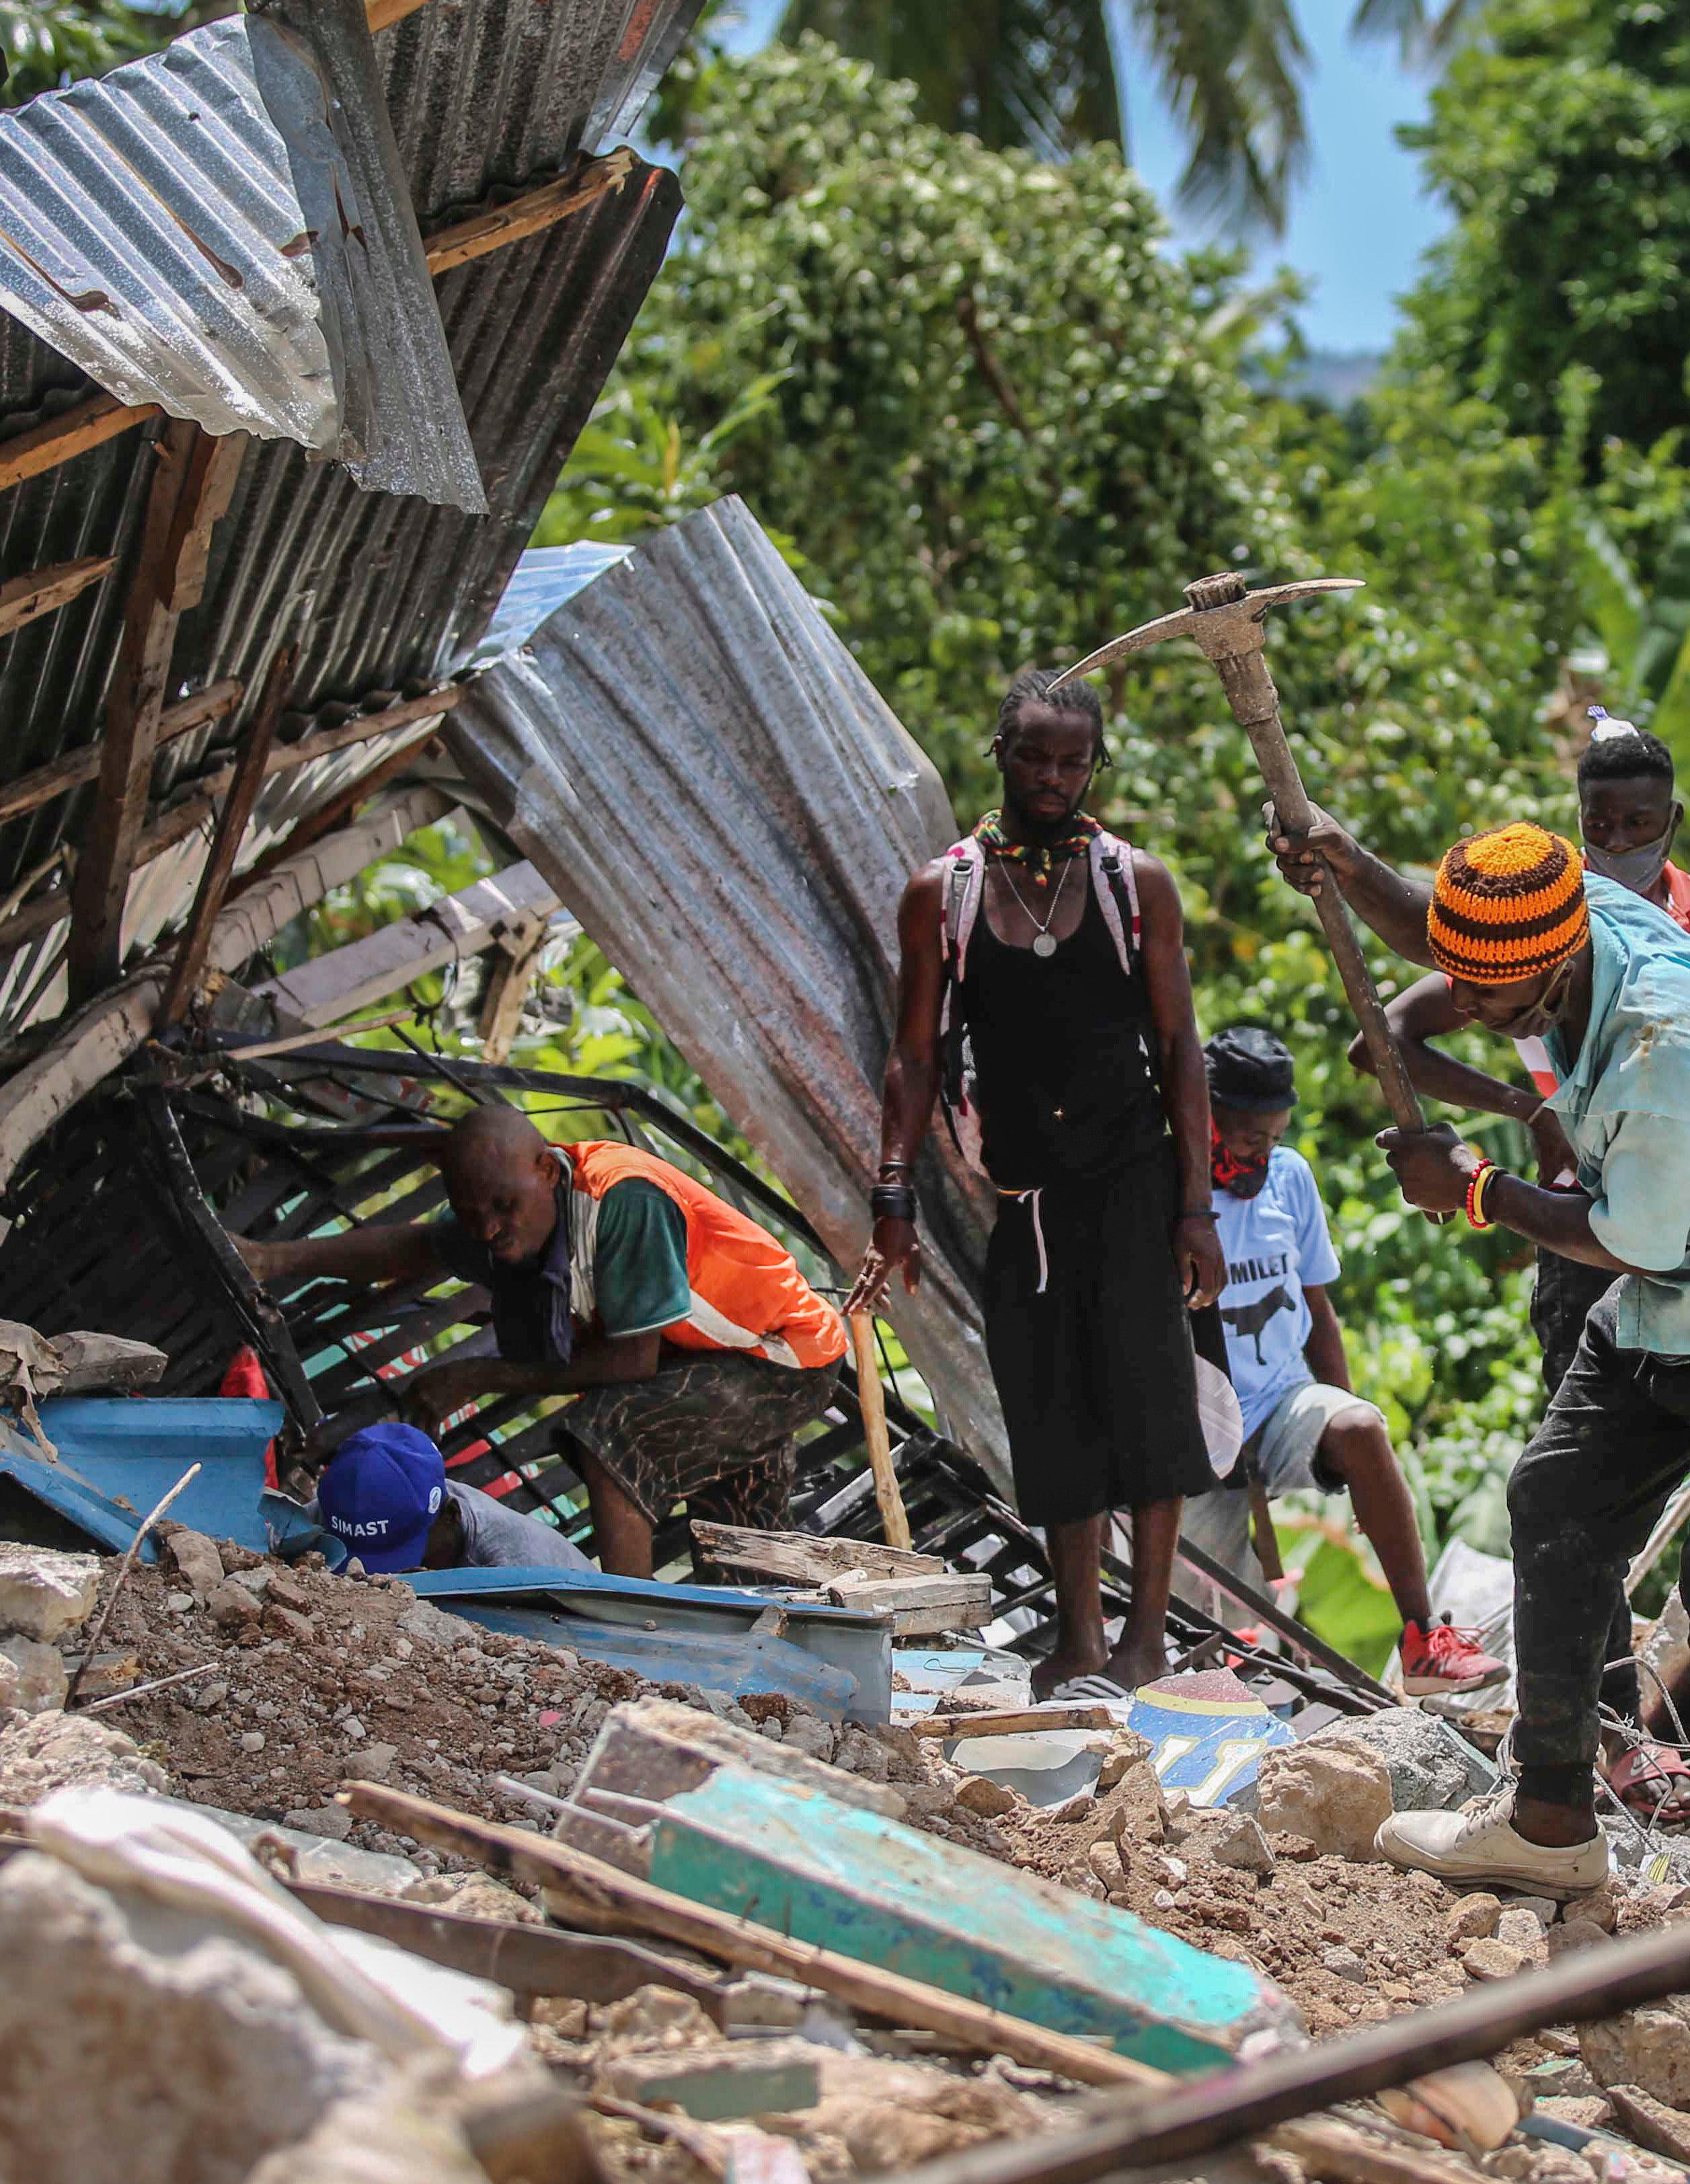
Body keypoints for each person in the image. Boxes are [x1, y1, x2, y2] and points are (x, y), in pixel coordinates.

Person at [1274, 816, 1690, 1995]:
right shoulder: (1564, 917)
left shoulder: (1660, 1036)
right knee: (1553, 1496)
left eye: (1497, 1007)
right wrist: (1350, 866)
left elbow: (1628, 1241)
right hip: (1680, 1294)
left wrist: (1472, 1195)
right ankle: (1551, 1823)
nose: (1476, 1014)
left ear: (1554, 964)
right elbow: (1456, 942)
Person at [1369, 715, 1690, 1820]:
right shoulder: (1544, 916)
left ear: (1670, 822)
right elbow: (1394, 1024)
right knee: (1581, 1489)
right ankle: (1611, 1724)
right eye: (1598, 823)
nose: (1618, 838)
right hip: (1586, 1226)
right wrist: (1524, 1106)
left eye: (1637, 823)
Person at [850, 668, 1223, 1700]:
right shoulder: (946, 893)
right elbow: (913, 1056)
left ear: (1095, 766)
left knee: (1148, 1406)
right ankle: (1079, 1642)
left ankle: (1144, 1640)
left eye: (1073, 761)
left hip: (1134, 1187)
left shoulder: (1129, 882)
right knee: (1048, 1411)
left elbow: (1179, 1046)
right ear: (999, 757)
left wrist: (1194, 1210)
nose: (1053, 778)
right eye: (1034, 758)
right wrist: (894, 1192)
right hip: (1024, 1202)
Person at [241, 1105, 848, 1576]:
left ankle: (624, 1632)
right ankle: (774, 1661)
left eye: (504, 1207)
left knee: (609, 1434)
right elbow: (420, 1247)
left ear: (547, 1172)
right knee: (746, 1544)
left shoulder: (623, 1201)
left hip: (782, 1356)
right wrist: (274, 1259)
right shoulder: (502, 1215)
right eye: (471, 1212)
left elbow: (630, 1360)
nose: (490, 1230)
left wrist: (477, 1376)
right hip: (703, 1359)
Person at [1182, 1024, 1504, 1697]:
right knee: (1207, 1637)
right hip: (1191, 1430)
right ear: (1205, 1121)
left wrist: (1353, 1457)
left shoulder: (1290, 1179)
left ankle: (1423, 1638)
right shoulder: (1169, 1192)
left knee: (1359, 1426)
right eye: (1248, 1140)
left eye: (1275, 1139)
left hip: (1278, 1403)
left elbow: (1316, 1310)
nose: (1264, 1158)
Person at [321, 1418, 591, 1574]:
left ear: (452, 1515)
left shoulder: (517, 1567)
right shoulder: (344, 1500)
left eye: (404, 1555)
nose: (384, 1577)